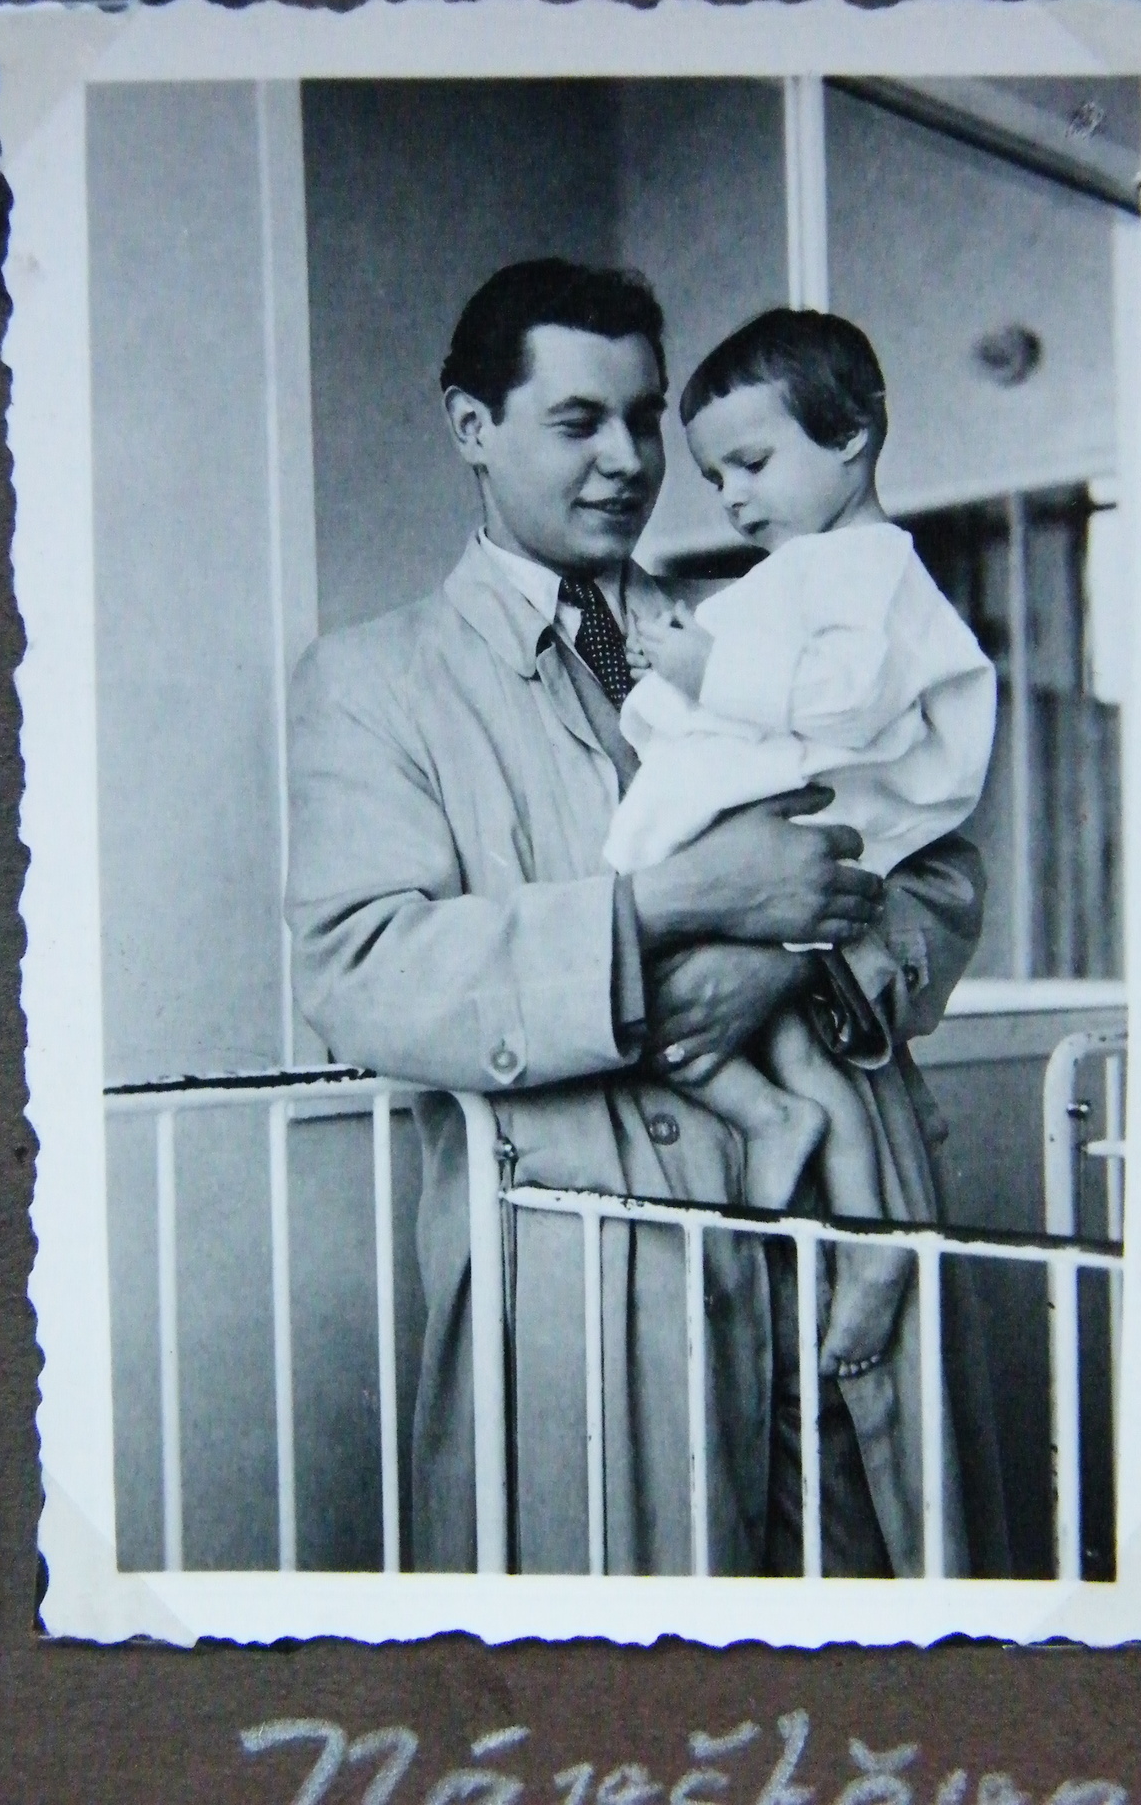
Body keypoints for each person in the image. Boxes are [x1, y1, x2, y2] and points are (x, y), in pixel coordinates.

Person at [286, 258, 1007, 1578]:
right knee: (644, 1667)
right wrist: (668, 909)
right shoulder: (373, 682)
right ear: (472, 427)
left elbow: (941, 868)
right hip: (607, 1272)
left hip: (843, 1242)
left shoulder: (755, 620)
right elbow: (362, 968)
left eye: (642, 417)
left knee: (889, 1635)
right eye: (579, 421)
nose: (628, 459)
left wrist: (789, 971)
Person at [603, 308, 997, 1372]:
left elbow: (846, 696)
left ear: (852, 435)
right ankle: (782, 1129)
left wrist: (699, 672)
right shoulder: (802, 569)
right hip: (766, 829)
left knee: (780, 1019)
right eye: (715, 476)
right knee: (751, 1027)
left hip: (821, 822)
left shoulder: (864, 568)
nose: (732, 497)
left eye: (753, 464)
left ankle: (870, 1239)